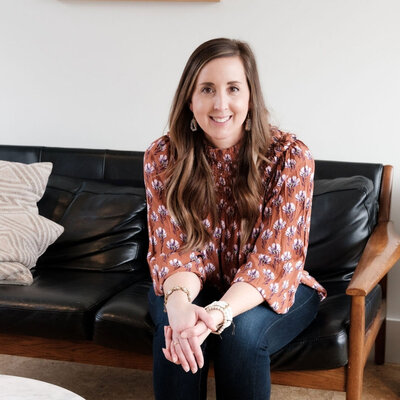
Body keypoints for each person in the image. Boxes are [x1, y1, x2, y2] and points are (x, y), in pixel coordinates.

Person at [144, 38, 327, 400]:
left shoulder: (290, 157)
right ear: (189, 99)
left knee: (239, 335)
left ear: (250, 98)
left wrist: (217, 314)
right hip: (193, 282)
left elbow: (274, 261)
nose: (220, 104)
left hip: (274, 286)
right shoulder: (163, 157)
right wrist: (181, 309)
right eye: (207, 89)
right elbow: (175, 252)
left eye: (233, 88)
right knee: (173, 324)